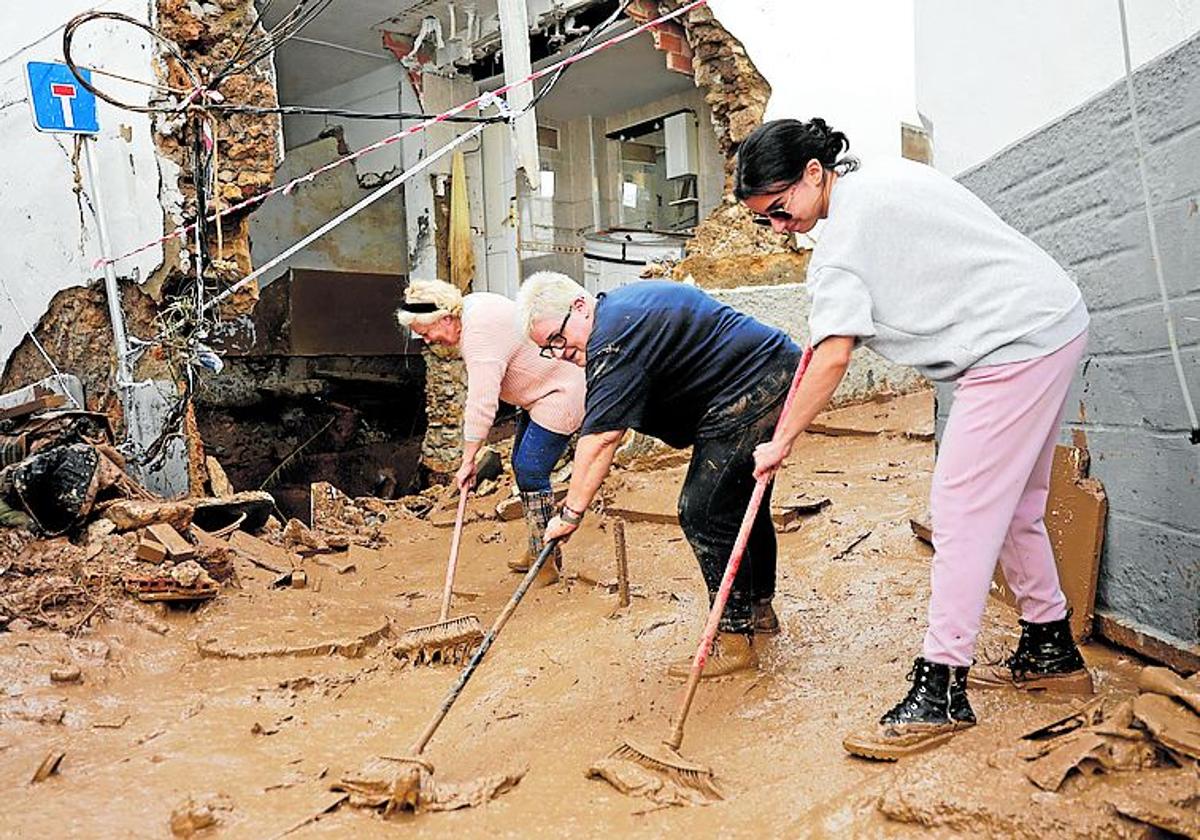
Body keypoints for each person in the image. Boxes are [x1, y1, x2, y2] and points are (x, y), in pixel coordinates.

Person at [734, 117, 1093, 760]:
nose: (781, 228)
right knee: (1013, 506)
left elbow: (834, 356)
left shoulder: (841, 242)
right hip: (1050, 320)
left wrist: (780, 440)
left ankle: (942, 692)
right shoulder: (882, 179)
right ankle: (1051, 649)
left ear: (815, 173)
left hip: (1010, 344)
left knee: (958, 511)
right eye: (766, 220)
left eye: (781, 210)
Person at [518, 272, 802, 678]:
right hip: (764, 373)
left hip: (754, 384)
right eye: (548, 349)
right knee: (736, 505)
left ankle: (735, 641)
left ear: (579, 307)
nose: (559, 353)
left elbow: (601, 438)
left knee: (702, 510)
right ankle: (759, 612)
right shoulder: (620, 316)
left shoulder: (613, 337)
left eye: (557, 340)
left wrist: (571, 515)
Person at [396, 277, 585, 584]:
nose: (428, 341)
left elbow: (482, 402)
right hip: (538, 393)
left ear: (444, 318)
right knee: (521, 465)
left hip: (560, 392)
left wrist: (468, 460)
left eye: (426, 333)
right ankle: (539, 546)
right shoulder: (472, 308)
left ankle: (546, 561)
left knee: (530, 469)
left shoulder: (478, 333)